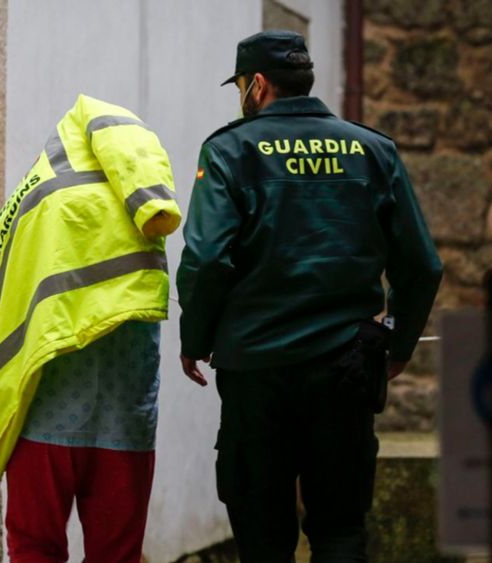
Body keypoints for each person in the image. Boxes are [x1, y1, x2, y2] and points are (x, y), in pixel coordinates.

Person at [177, 30, 443, 562]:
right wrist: (399, 346)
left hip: (255, 369)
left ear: (256, 85)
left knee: (263, 536)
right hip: (344, 367)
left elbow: (206, 260)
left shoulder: (231, 150)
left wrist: (196, 338)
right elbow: (421, 265)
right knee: (340, 529)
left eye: (241, 87)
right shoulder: (372, 149)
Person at [0, 94, 182, 563]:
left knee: (35, 549)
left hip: (44, 414)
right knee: (117, 555)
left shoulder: (32, 203)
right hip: (126, 420)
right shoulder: (143, 207)